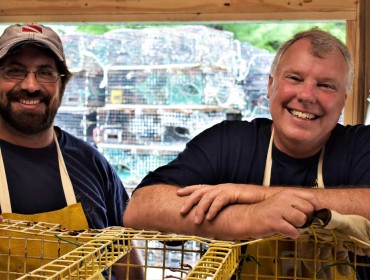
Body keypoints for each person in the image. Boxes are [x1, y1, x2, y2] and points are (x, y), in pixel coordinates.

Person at [123, 28, 370, 277]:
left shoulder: (361, 145)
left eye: (326, 86)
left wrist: (253, 194)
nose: (306, 96)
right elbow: (141, 207)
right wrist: (248, 216)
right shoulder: (228, 142)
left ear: (344, 101)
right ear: (270, 85)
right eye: (294, 78)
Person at [0, 23, 143, 279]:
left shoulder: (92, 163)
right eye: (14, 71)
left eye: (45, 73)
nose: (31, 85)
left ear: (62, 85)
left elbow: (126, 262)